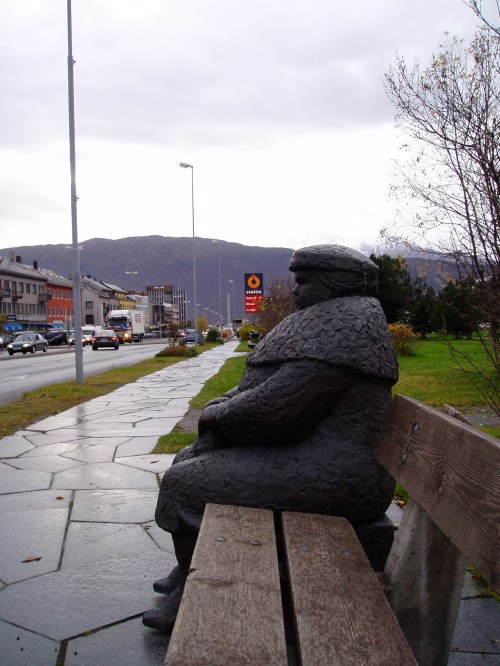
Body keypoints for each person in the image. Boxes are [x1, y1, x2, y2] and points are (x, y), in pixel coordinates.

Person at [143, 244, 398, 632]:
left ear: (333, 284)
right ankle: (189, 570)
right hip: (313, 457)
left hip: (342, 475)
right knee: (185, 459)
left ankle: (196, 592)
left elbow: (278, 414)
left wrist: (216, 416)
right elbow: (262, 390)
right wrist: (223, 407)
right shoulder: (328, 324)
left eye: (304, 281)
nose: (295, 290)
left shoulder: (346, 334)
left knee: (183, 483)